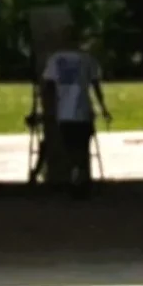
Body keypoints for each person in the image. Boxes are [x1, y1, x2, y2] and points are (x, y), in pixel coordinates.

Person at [39, 35, 109, 195]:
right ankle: (82, 178)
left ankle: (75, 177)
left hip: (64, 112)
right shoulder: (87, 59)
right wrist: (103, 107)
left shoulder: (55, 60)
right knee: (83, 147)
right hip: (83, 110)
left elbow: (48, 86)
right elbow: (96, 85)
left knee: (70, 147)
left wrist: (49, 109)